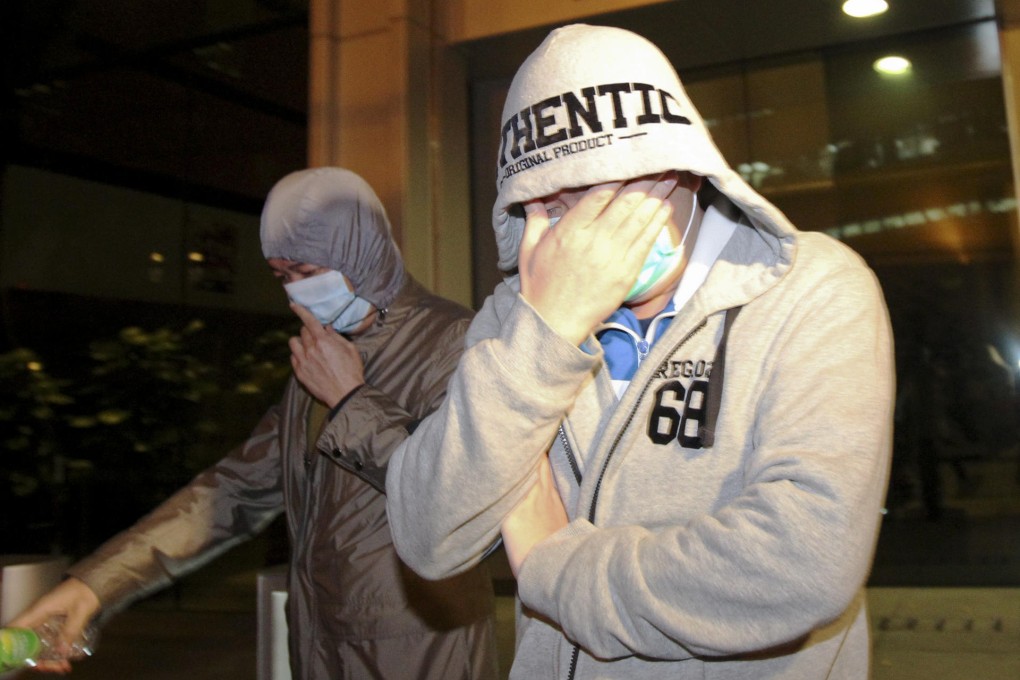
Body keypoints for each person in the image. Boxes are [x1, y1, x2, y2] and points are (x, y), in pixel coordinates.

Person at [387, 24, 894, 679]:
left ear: (678, 170)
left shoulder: (810, 287)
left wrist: (552, 564)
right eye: (549, 207)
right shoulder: (521, 316)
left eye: (599, 191)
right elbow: (428, 535)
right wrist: (546, 335)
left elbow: (801, 560)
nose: (579, 233)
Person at [11, 167, 498, 679]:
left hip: (422, 652)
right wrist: (96, 584)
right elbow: (234, 490)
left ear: (359, 250)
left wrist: (351, 399)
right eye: (282, 277)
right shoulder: (324, 352)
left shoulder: (454, 340)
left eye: (307, 272)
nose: (295, 295)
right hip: (321, 644)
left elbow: (455, 495)